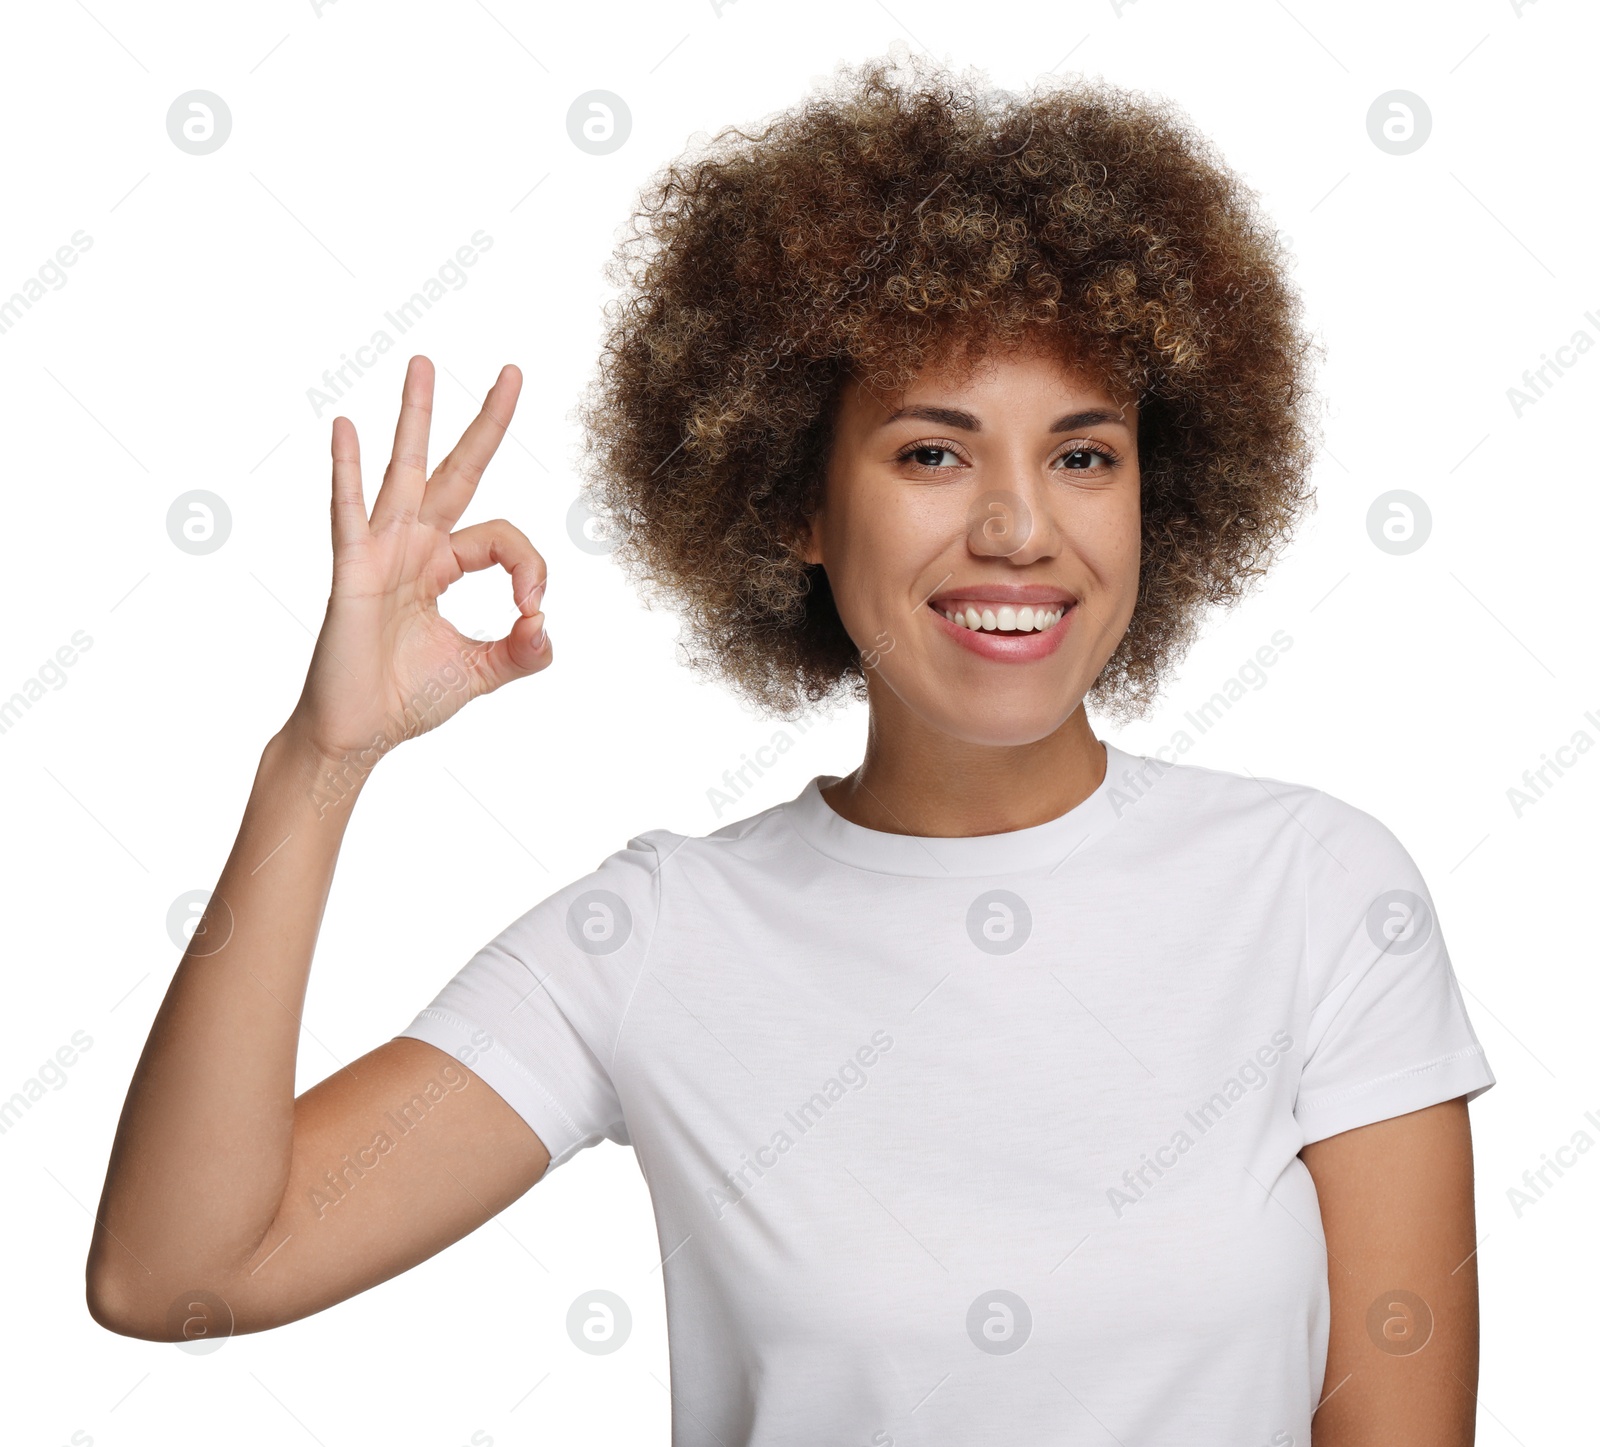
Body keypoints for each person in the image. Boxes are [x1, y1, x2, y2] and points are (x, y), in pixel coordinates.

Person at [86, 51, 1495, 1445]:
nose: (1019, 528)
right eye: (932, 454)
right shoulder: (653, 937)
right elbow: (178, 1273)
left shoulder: (1317, 894)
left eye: (1084, 454)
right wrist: (318, 761)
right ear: (794, 504)